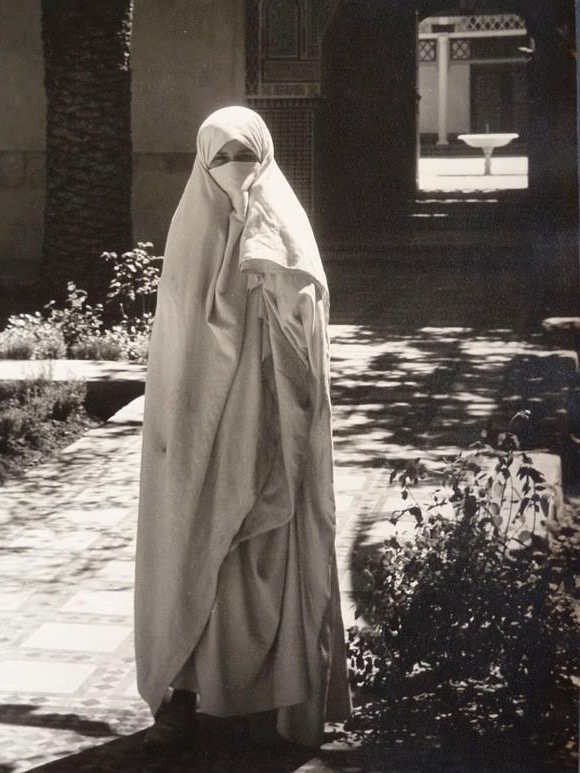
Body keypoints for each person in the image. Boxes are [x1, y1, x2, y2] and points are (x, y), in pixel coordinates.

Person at [133, 105, 351, 750]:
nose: (235, 169)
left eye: (245, 154)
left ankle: (272, 694)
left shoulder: (285, 224)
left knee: (267, 548)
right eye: (221, 156)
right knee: (196, 546)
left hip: (273, 422)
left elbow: (311, 320)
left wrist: (278, 288)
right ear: (204, 161)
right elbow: (177, 344)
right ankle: (186, 694)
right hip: (204, 430)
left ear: (266, 154)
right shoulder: (189, 233)